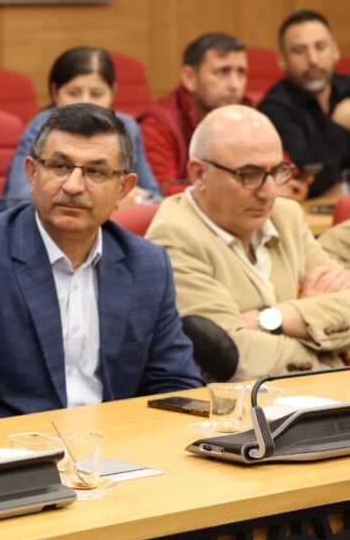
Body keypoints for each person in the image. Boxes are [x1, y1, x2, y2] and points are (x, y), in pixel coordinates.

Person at [0, 103, 202, 418]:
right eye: (60, 166)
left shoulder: (148, 265)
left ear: (123, 189)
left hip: (120, 441)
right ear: (32, 173)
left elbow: (176, 385)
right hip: (13, 442)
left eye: (95, 172)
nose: (73, 186)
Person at [146, 105, 350, 380]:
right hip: (236, 404)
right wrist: (326, 348)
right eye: (249, 175)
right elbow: (234, 357)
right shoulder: (173, 238)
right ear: (199, 174)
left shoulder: (285, 215)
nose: (269, 192)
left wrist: (271, 318)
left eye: (277, 171)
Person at [0, 46, 159, 214]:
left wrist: (133, 198)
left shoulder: (126, 128)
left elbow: (155, 197)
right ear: (55, 92)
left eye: (96, 94)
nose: (86, 103)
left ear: (112, 93)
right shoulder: (40, 129)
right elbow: (19, 200)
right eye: (74, 93)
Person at [138, 33, 258, 196]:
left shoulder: (250, 114)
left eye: (241, 72)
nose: (235, 85)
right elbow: (162, 193)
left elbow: (281, 171)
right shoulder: (158, 124)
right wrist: (242, 189)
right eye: (223, 72)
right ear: (189, 78)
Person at [259, 10, 350, 199]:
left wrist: (344, 187)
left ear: (335, 51)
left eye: (320, 47)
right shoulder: (274, 108)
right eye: (299, 50)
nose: (313, 60)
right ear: (282, 60)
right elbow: (304, 182)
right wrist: (338, 126)